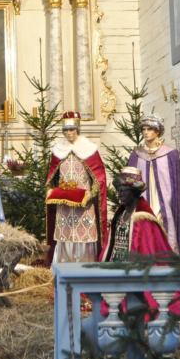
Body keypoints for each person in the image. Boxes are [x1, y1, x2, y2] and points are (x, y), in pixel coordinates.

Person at [98, 167, 180, 320]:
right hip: (116, 271)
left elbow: (147, 251)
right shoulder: (121, 214)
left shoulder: (143, 219)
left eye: (123, 190)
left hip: (134, 274)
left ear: (133, 191)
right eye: (118, 190)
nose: (119, 194)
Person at [46, 112, 108, 265]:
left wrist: (91, 194)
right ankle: (63, 267)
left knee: (84, 237)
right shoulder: (58, 150)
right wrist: (49, 190)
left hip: (84, 205)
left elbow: (99, 178)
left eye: (72, 129)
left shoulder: (89, 149)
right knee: (65, 237)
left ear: (78, 129)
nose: (69, 133)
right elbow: (51, 177)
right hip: (64, 206)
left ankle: (86, 267)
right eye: (66, 130)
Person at [127, 114, 180, 254]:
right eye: (143, 129)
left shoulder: (170, 154)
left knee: (165, 224)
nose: (146, 132)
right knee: (145, 227)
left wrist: (170, 201)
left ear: (157, 131)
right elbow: (129, 182)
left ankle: (167, 258)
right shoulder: (136, 155)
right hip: (143, 201)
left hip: (165, 201)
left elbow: (177, 184)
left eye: (149, 129)